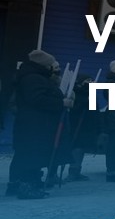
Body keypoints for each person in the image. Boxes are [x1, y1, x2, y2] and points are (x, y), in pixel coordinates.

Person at [7, 50, 69, 199]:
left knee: (29, 155)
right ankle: (27, 187)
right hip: (33, 126)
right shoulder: (33, 78)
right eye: (50, 64)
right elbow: (37, 99)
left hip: (35, 124)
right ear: (44, 65)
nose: (52, 68)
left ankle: (24, 184)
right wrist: (61, 103)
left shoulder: (34, 77)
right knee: (30, 156)